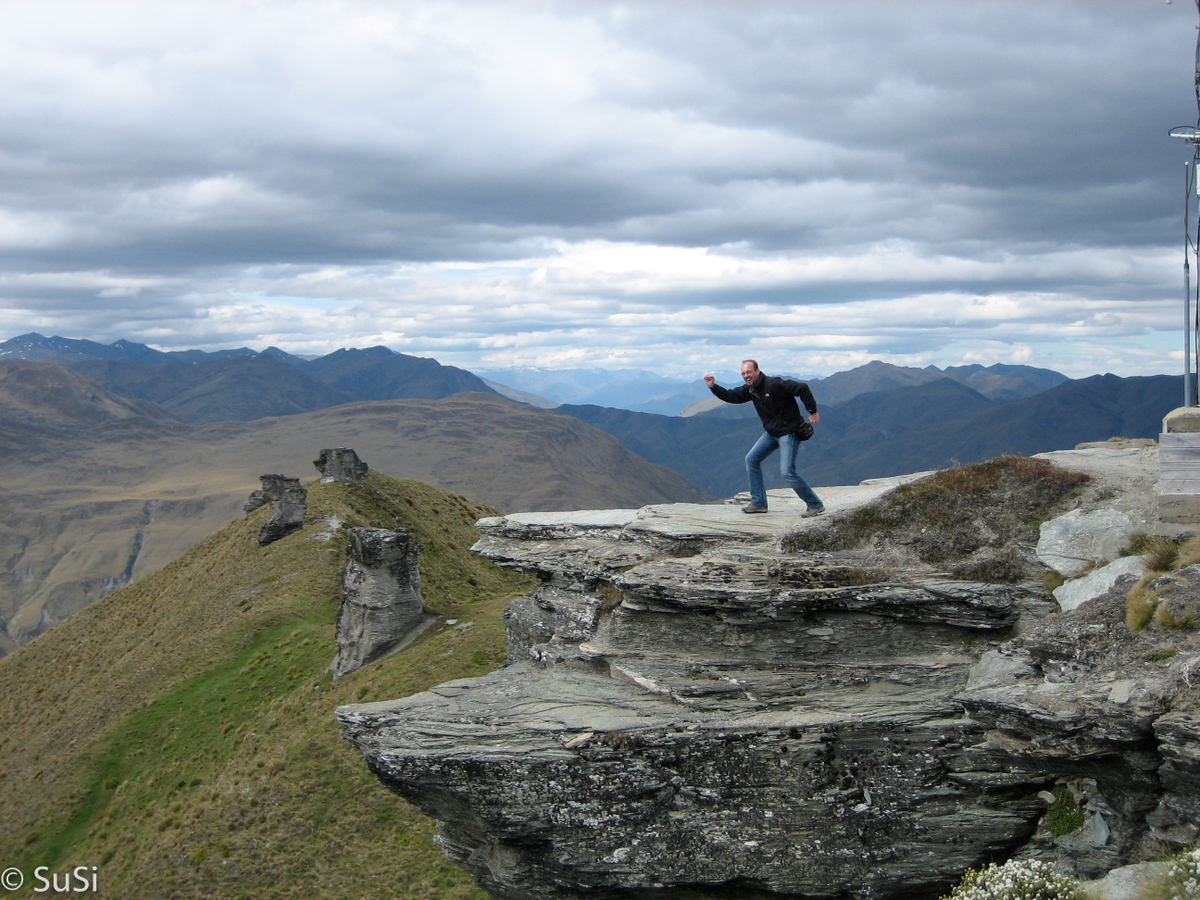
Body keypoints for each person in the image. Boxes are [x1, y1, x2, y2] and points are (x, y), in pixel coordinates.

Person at [704, 359, 824, 517]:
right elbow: (731, 396)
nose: (746, 375)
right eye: (743, 373)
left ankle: (814, 504)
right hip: (772, 433)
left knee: (787, 471)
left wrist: (812, 411)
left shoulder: (774, 384)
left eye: (748, 372)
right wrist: (713, 386)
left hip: (789, 432)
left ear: (757, 371)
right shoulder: (751, 389)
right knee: (751, 459)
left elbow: (802, 387)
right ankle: (759, 503)